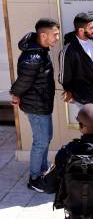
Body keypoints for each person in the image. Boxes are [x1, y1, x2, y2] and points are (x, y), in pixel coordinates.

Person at [10, 18, 60, 192]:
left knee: (45, 138)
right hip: (36, 106)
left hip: (42, 104)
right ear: (43, 35)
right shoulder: (33, 57)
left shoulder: (40, 51)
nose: (57, 38)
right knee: (41, 141)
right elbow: (23, 82)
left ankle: (43, 171)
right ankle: (34, 178)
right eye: (54, 35)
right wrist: (15, 93)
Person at [59, 13, 93, 107]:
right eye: (91, 28)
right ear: (80, 30)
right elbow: (64, 77)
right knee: (89, 121)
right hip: (83, 99)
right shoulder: (69, 50)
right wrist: (69, 91)